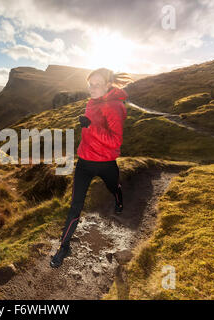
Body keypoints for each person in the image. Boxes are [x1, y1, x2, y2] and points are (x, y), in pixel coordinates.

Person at [50, 68, 133, 268]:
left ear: (107, 85)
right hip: (84, 162)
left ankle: (119, 203)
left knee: (114, 187)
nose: (92, 88)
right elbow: (91, 133)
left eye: (97, 84)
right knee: (75, 206)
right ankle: (63, 247)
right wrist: (87, 131)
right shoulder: (92, 102)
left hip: (105, 163)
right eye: (90, 84)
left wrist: (89, 127)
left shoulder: (114, 107)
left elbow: (115, 141)